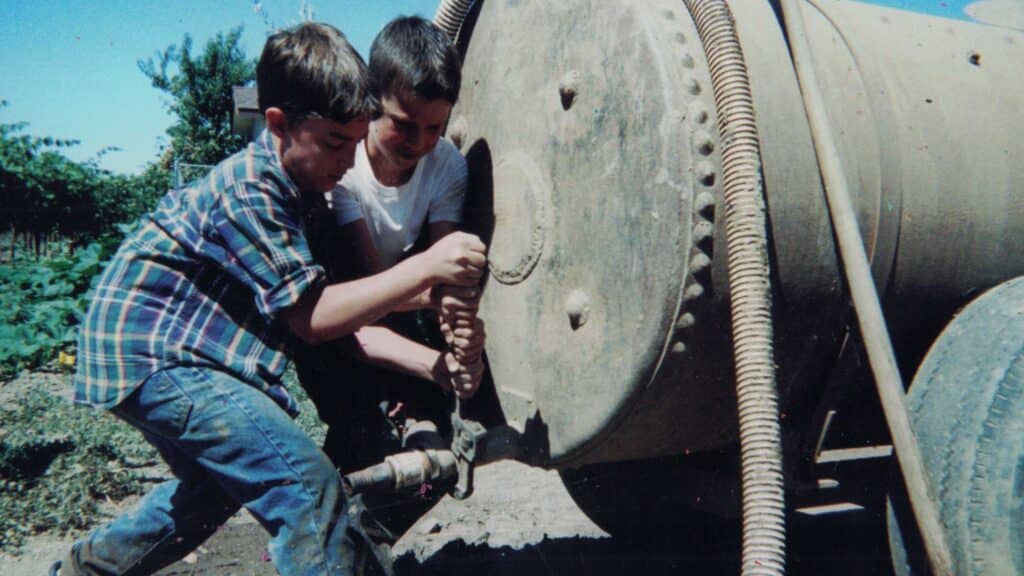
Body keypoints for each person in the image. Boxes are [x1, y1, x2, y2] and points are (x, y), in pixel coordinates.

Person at [53, 21, 486, 576]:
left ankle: (84, 571)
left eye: (355, 143)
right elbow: (311, 316)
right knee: (305, 488)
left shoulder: (305, 189)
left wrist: (428, 300)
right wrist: (426, 268)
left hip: (176, 356)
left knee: (210, 493)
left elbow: (340, 301)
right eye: (336, 143)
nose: (349, 160)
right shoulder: (251, 189)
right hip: (155, 353)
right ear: (278, 124)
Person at [294, 15, 485, 539]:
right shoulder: (344, 168)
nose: (420, 142)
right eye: (404, 124)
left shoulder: (446, 165)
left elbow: (444, 274)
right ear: (372, 100)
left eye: (434, 127)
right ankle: (328, 541)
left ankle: (362, 549)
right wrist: (437, 364)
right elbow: (368, 298)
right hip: (335, 320)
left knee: (436, 460)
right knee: (366, 431)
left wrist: (460, 329)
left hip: (391, 318)